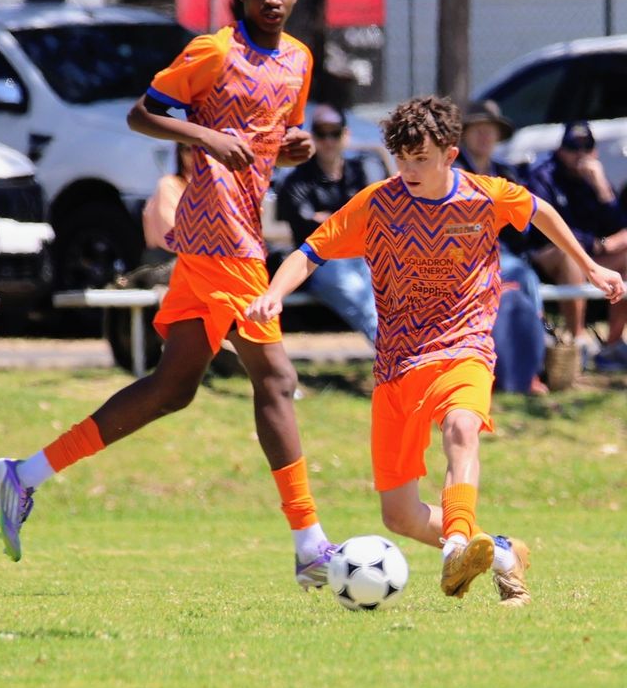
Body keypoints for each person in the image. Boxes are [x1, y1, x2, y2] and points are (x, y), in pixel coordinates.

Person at [0, 0, 338, 588]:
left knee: (172, 389)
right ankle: (310, 545)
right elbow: (143, 113)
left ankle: (24, 474)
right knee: (277, 379)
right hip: (219, 235)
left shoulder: (299, 59)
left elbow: (275, 138)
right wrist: (205, 135)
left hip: (231, 236)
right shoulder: (214, 51)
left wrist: (291, 149)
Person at [246, 95, 624, 605]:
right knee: (399, 515)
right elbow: (309, 252)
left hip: (464, 347)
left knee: (462, 428)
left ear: (450, 153)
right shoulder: (378, 203)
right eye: (401, 159)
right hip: (399, 364)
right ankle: (502, 552)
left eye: (420, 158)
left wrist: (592, 266)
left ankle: (456, 547)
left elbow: (541, 212)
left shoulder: (484, 195)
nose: (408, 170)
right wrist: (274, 293)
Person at [456, 100, 548, 394]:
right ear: (465, 134)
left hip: (503, 253)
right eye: (478, 130)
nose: (484, 136)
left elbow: (524, 228)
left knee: (525, 275)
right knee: (519, 273)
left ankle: (532, 367)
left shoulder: (506, 173)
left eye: (490, 130)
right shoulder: (455, 173)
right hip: (462, 255)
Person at [524, 120, 627, 371]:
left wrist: (602, 189)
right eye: (573, 148)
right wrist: (597, 245)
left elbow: (616, 225)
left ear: (595, 151)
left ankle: (612, 345)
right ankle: (578, 342)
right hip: (548, 256)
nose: (580, 154)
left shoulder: (595, 178)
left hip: (591, 259)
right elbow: (545, 228)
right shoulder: (543, 176)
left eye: (586, 148)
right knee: (569, 254)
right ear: (560, 150)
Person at [275, 104, 379, 343]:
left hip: (361, 257)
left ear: (346, 134)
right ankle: (395, 355)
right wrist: (348, 221)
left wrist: (329, 218)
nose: (329, 141)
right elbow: (310, 229)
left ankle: (403, 353)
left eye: (335, 133)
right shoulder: (297, 179)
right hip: (318, 263)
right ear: (313, 137)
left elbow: (373, 217)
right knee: (363, 305)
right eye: (322, 134)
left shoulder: (359, 172)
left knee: (385, 298)